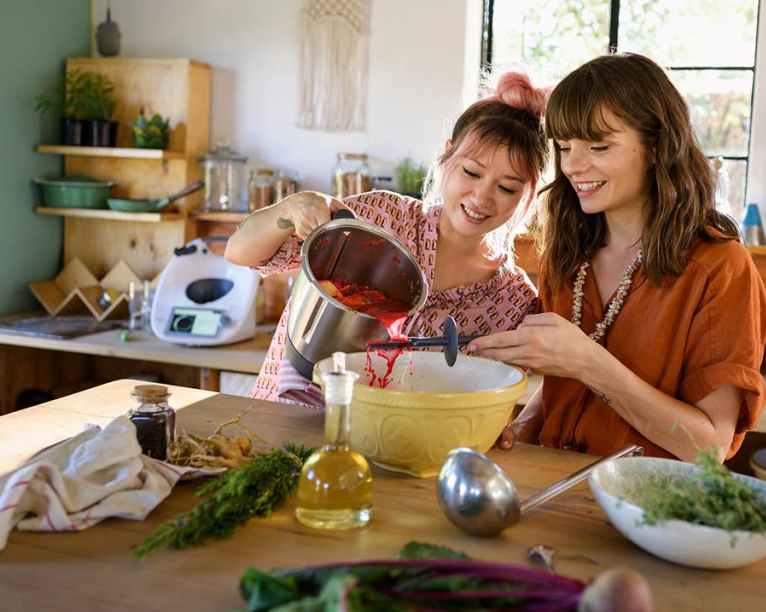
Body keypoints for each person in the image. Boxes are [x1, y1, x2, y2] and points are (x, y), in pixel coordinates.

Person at [468, 53, 766, 462]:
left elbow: (710, 446)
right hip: (553, 491)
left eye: (599, 145)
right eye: (564, 147)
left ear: (657, 146)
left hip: (647, 509)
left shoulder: (719, 268)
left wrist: (589, 363)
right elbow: (563, 389)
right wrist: (520, 430)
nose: (573, 166)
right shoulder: (569, 253)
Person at [225, 72, 550, 408]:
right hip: (280, 425)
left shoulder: (512, 300)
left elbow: (491, 398)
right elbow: (238, 252)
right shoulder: (381, 217)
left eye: (507, 188)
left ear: (529, 195)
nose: (482, 197)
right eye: (471, 172)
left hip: (397, 450)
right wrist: (290, 208)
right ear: (447, 156)